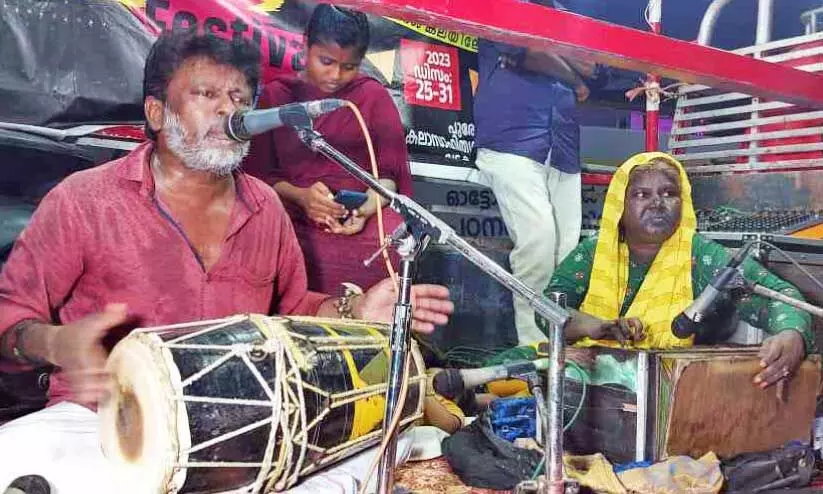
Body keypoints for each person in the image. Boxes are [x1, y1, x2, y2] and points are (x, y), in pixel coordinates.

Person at [0, 32, 452, 493]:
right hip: (100, 424)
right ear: (157, 113)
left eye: (238, 97)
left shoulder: (266, 209)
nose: (227, 109)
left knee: (382, 450)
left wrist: (354, 311)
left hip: (240, 428)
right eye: (206, 94)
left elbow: (292, 308)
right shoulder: (84, 199)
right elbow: (8, 319)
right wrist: (58, 344)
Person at [542, 152, 812, 388]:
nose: (657, 203)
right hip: (590, 375)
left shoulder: (700, 255)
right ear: (619, 206)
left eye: (669, 193)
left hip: (670, 386)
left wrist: (792, 334)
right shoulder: (593, 252)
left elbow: (778, 295)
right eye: (641, 194)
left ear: (683, 203)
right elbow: (546, 310)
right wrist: (595, 326)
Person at [244, 5, 412, 294]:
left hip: (358, 214)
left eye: (349, 67)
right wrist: (303, 197)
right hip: (292, 211)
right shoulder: (278, 96)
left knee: (392, 239)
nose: (336, 75)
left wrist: (363, 210)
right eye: (326, 61)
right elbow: (257, 178)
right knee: (261, 234)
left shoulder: (373, 96)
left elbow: (388, 178)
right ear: (305, 45)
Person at [473, 0, 595, 346]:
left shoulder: (568, 13)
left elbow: (590, 65)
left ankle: (563, 347)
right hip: (512, 139)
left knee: (568, 254)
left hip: (563, 145)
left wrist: (552, 54)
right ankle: (535, 351)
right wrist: (570, 73)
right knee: (538, 243)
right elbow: (529, 53)